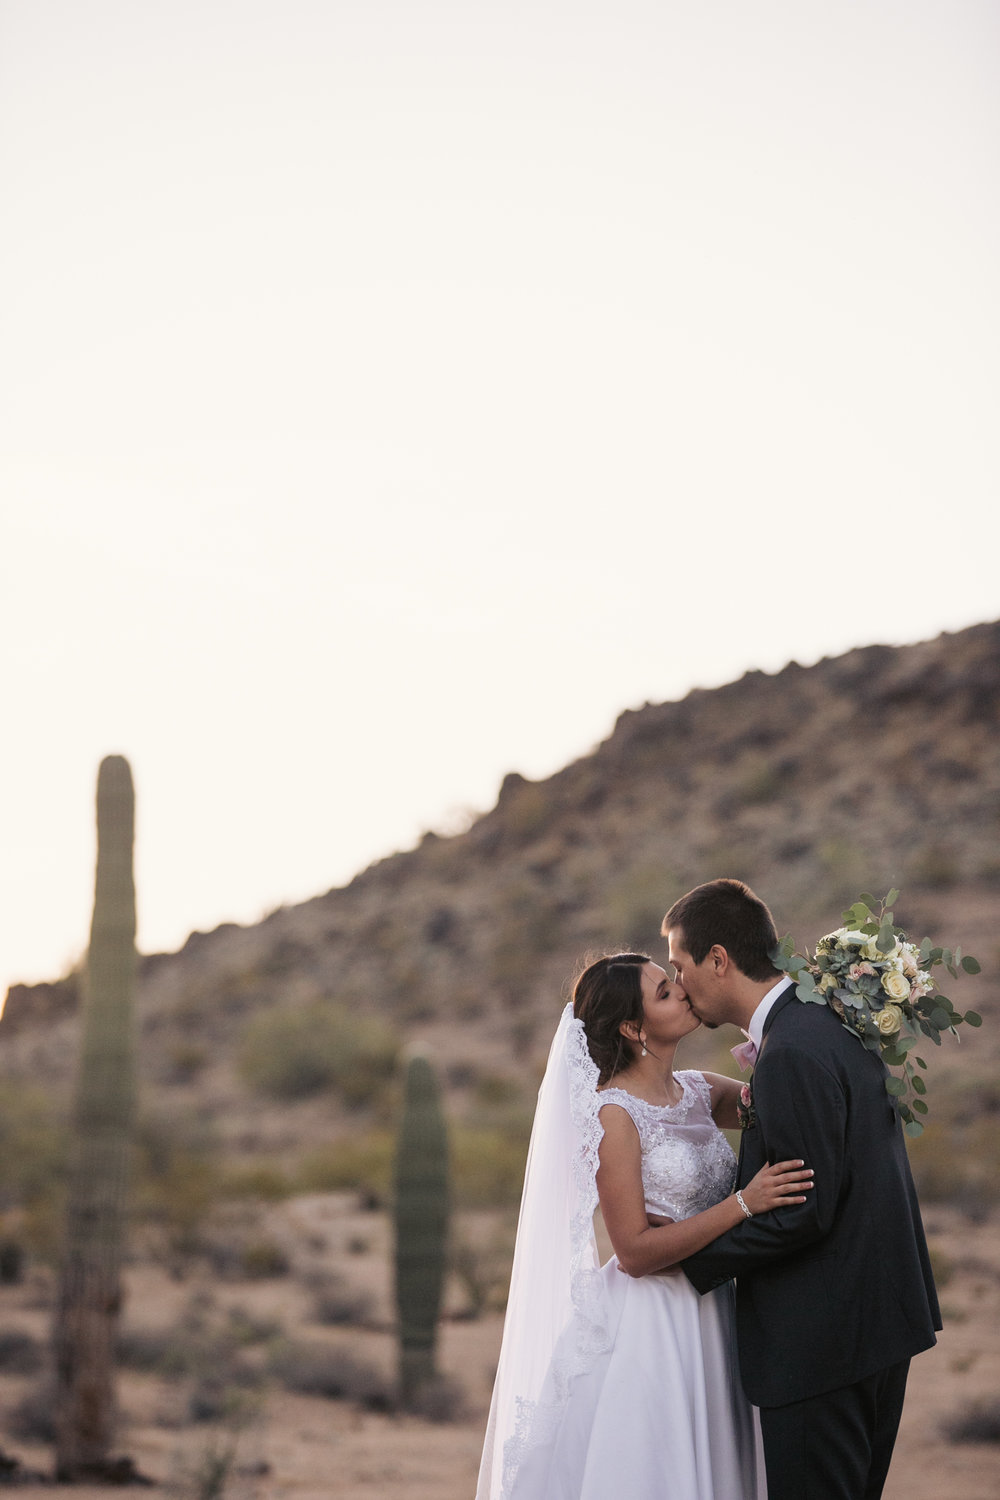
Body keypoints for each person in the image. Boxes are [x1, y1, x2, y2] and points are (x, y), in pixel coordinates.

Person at [476, 951, 814, 1500]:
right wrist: (742, 1206)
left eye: (673, 980)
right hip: (654, 1322)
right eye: (664, 991)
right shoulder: (614, 1116)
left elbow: (784, 1100)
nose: (682, 990)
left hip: (719, 1306)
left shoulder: (700, 1091)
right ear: (634, 1028)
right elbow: (633, 1252)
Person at [666, 879, 941, 1500]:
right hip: (871, 1324)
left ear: (718, 959)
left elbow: (801, 1211)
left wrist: (682, 1264)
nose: (677, 983)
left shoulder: (790, 1051)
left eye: (680, 966)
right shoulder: (825, 1021)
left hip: (823, 1343)